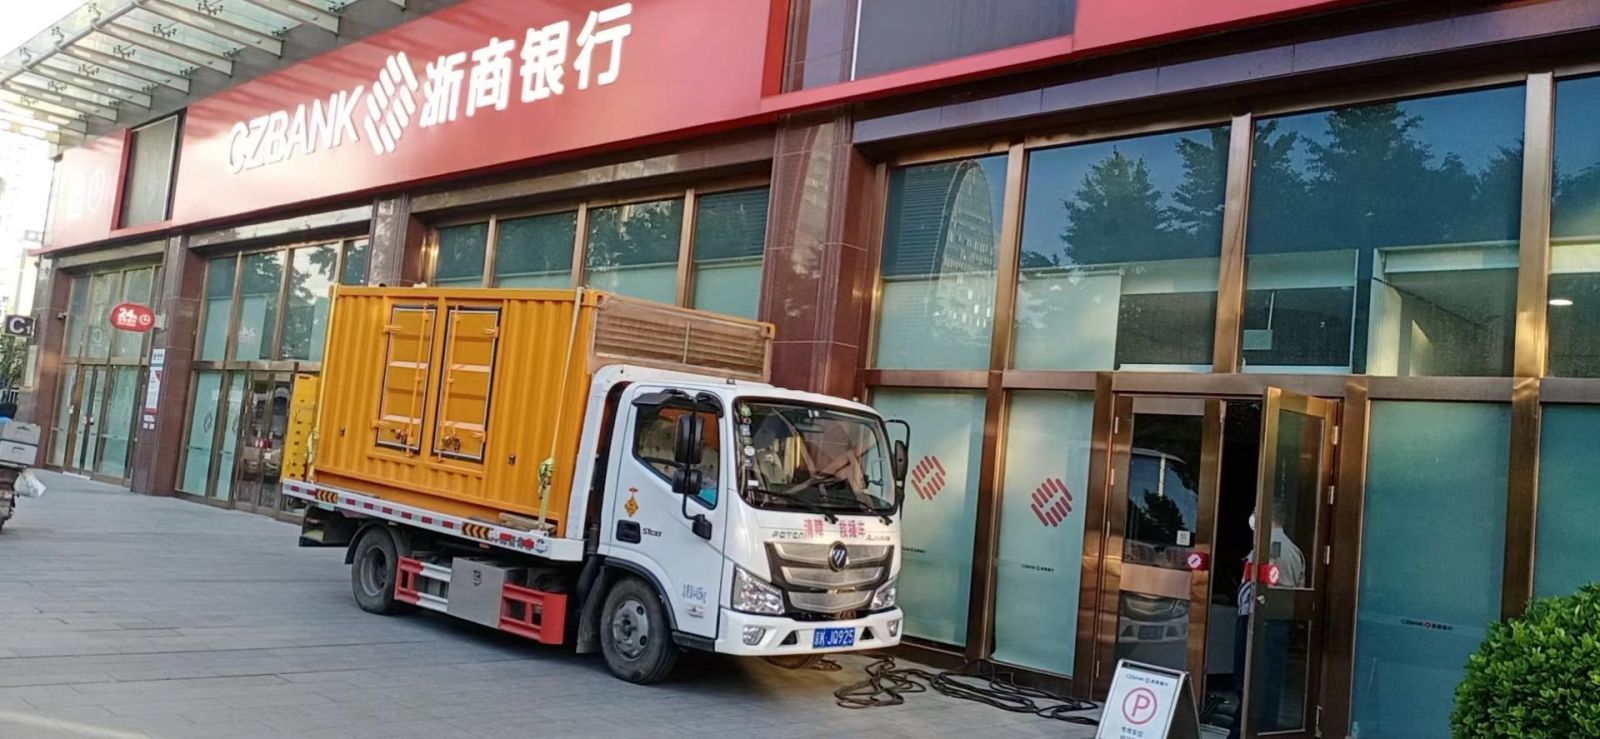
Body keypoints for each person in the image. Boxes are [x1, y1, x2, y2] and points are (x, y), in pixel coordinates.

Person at [1229, 501, 1306, 739]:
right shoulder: (1295, 551)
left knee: (1248, 679)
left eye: (1255, 513)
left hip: (1257, 619)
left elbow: (1255, 588)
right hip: (1280, 621)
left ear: (1266, 516)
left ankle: (1243, 731)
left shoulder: (1267, 547)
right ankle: (1265, 729)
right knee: (1271, 679)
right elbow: (1299, 587)